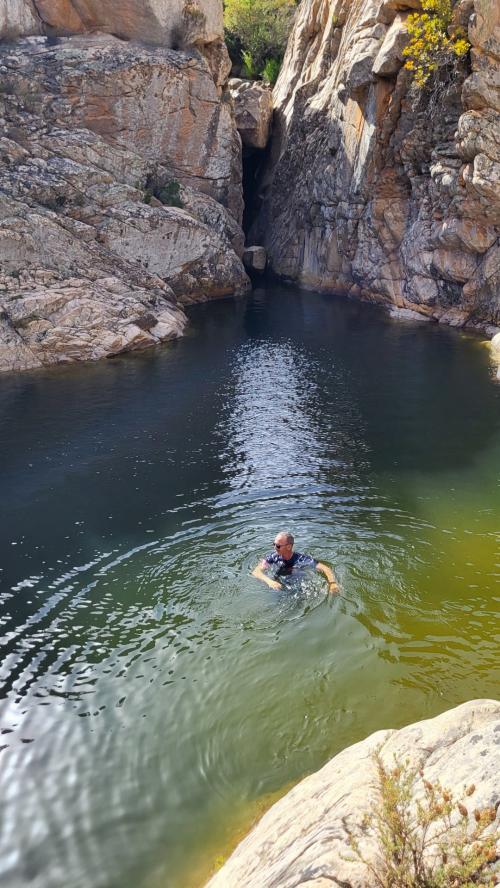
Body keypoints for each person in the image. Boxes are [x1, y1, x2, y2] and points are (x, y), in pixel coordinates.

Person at [252, 531, 339, 594]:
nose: (274, 548)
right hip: (280, 584)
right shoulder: (273, 557)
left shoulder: (302, 559)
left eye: (278, 546)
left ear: (289, 547)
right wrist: (269, 582)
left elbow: (326, 568)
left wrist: (332, 584)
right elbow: (256, 572)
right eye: (273, 544)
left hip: (299, 584)